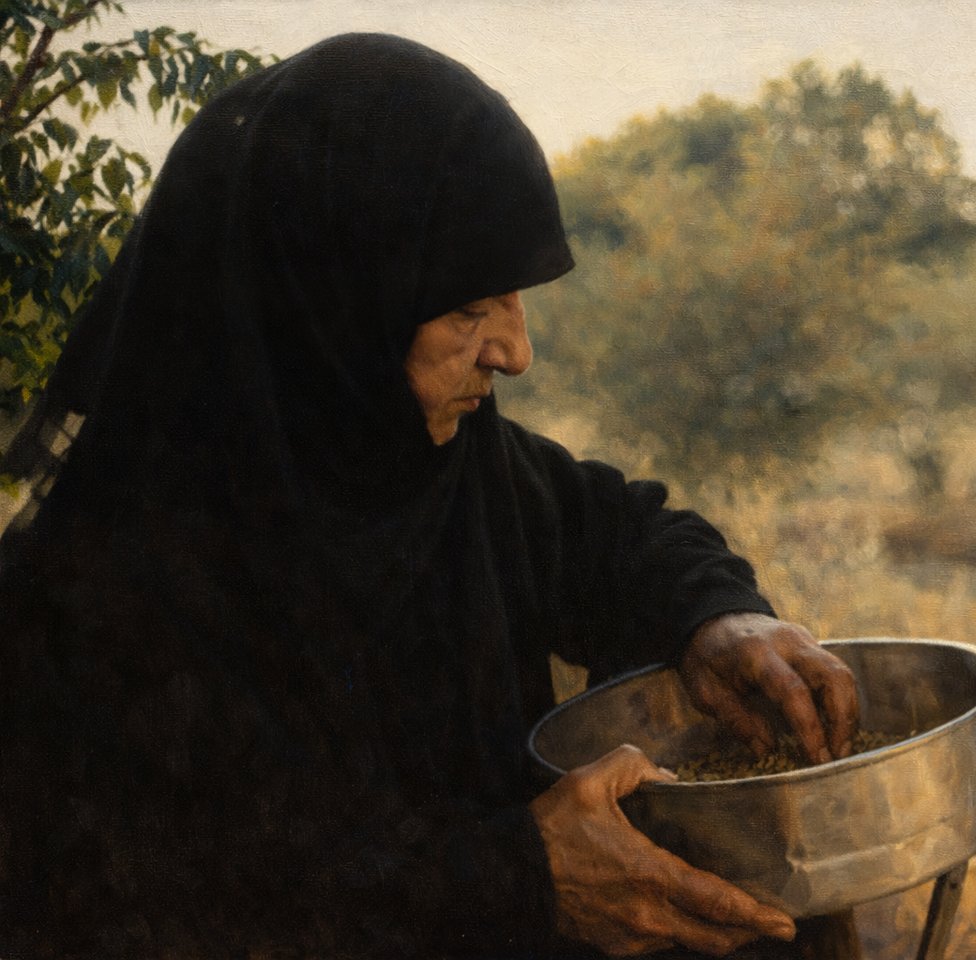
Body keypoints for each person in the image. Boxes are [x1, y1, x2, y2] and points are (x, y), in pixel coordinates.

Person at [0, 33, 858, 959]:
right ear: (334, 308)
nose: (515, 352)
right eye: (467, 310)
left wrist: (715, 618)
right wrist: (518, 879)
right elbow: (169, 898)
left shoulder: (442, 463)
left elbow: (617, 533)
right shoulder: (99, 594)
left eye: (512, 299)